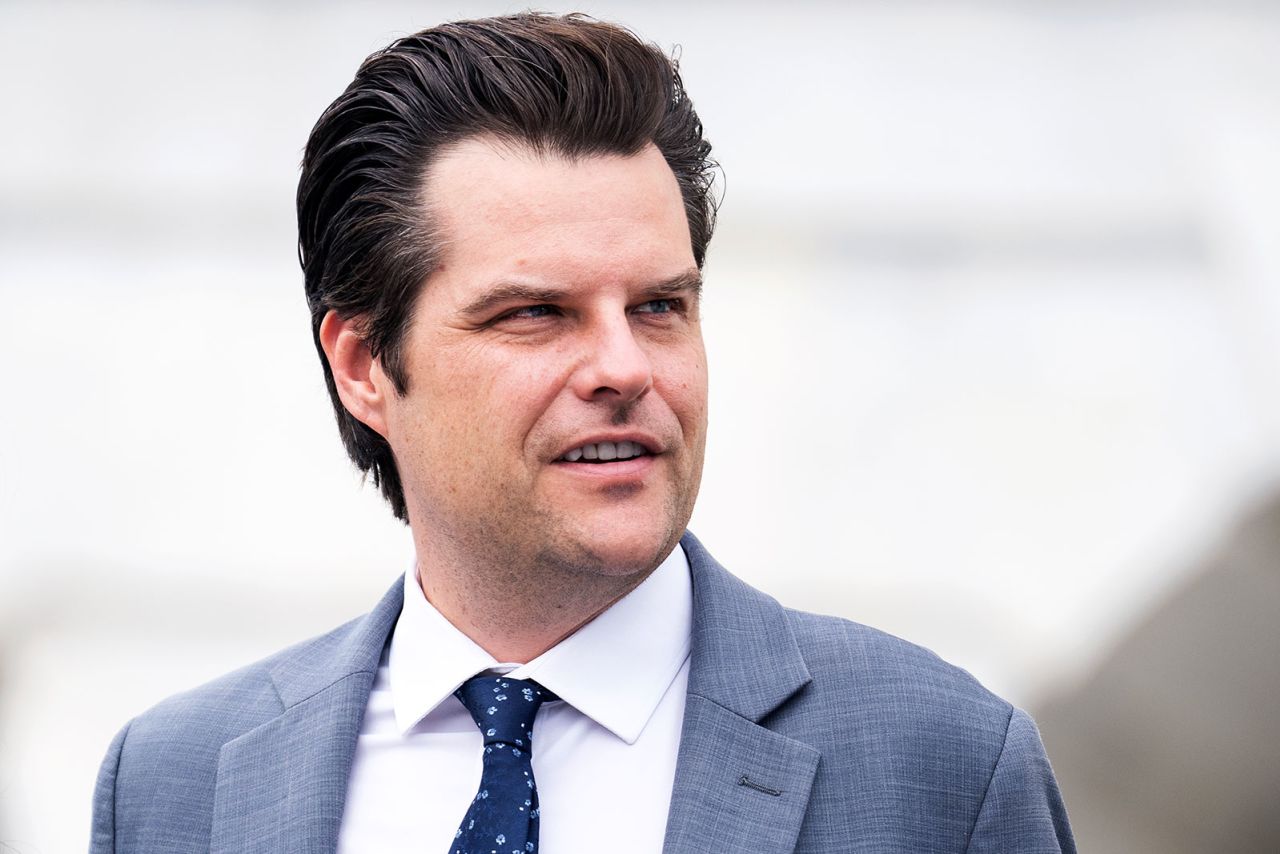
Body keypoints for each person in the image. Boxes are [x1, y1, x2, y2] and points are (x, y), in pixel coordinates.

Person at [90, 13, 1075, 853]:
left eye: (657, 305)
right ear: (362, 364)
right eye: (535, 313)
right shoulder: (172, 785)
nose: (624, 367)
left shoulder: (940, 765)